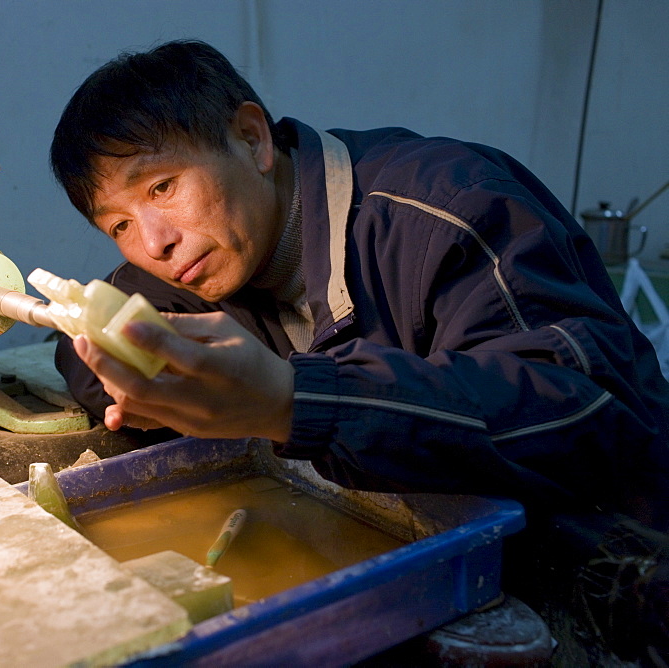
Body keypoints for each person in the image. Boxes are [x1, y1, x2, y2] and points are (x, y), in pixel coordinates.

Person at [47, 40, 668, 659]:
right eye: (118, 224)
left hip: (612, 566)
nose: (153, 242)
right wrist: (141, 385)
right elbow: (82, 329)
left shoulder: (452, 205)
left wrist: (298, 401)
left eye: (161, 187)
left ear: (251, 139)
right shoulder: (196, 255)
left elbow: (584, 413)